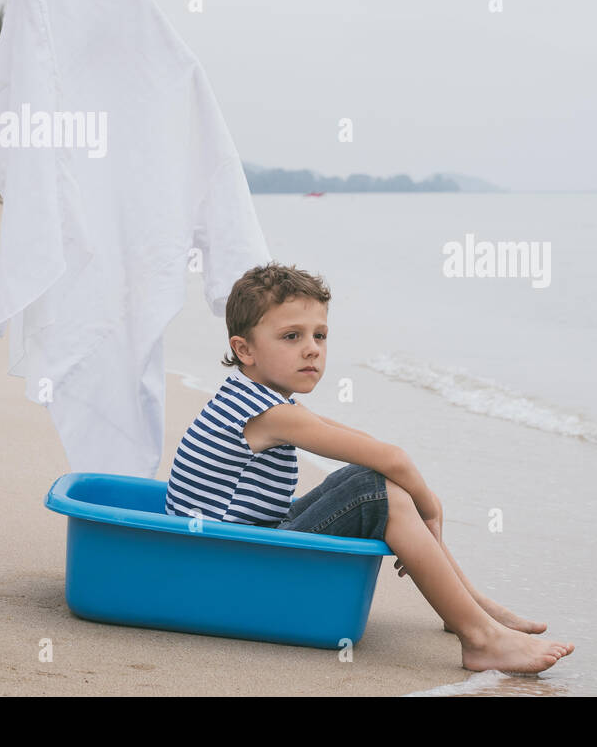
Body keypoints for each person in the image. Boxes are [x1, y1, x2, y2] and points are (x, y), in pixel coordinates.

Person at [166, 261, 574, 674]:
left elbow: (365, 447)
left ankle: (469, 608)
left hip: (230, 547)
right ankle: (480, 638)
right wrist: (428, 509)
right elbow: (392, 458)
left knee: (370, 482)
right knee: (378, 492)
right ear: (245, 349)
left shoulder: (255, 396)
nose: (312, 348)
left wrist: (406, 498)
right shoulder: (269, 413)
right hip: (229, 564)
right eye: (292, 336)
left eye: (319, 336)